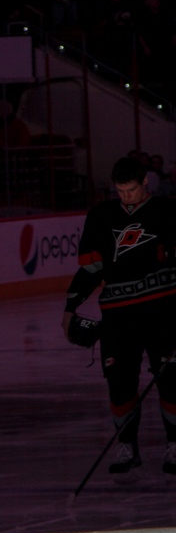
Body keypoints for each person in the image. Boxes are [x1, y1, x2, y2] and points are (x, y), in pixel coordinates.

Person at [62, 156, 176, 479]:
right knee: (119, 384)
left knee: (171, 380)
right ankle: (126, 446)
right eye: (119, 191)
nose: (125, 196)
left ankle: (175, 444)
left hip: (164, 314)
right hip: (118, 318)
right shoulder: (100, 217)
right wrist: (71, 306)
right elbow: (90, 270)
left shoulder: (168, 212)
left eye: (130, 190)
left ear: (145, 184)